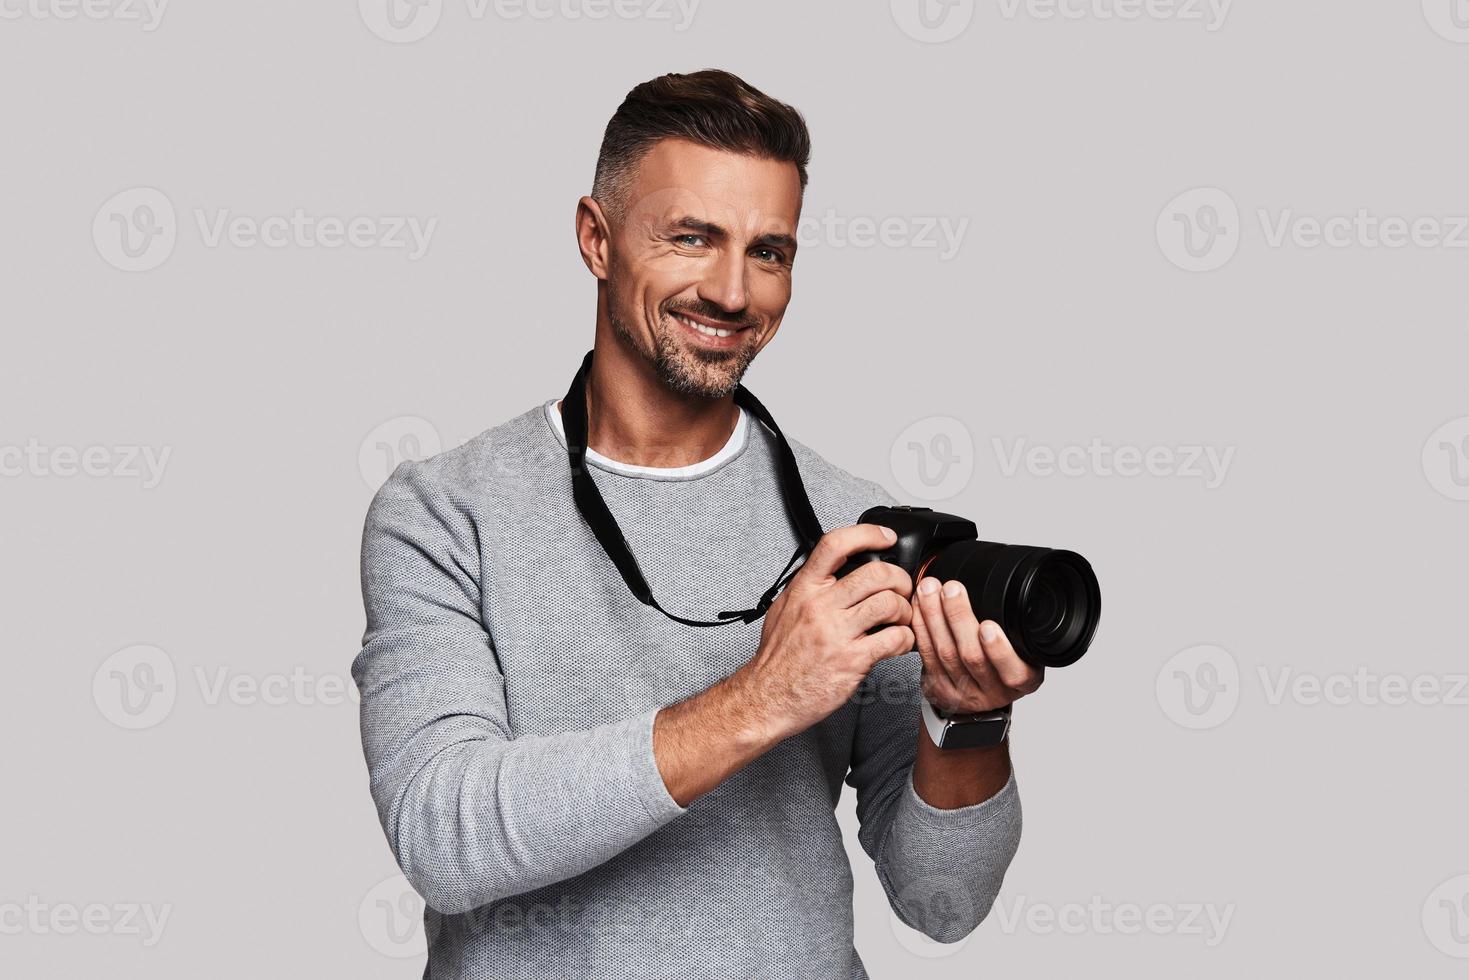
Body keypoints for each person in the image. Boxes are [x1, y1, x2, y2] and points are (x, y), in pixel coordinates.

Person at [353, 68, 1044, 979]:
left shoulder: (855, 530)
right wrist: (763, 696)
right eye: (691, 238)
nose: (731, 292)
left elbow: (938, 903)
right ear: (595, 240)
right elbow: (446, 837)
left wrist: (970, 720)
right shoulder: (445, 512)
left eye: (769, 252)